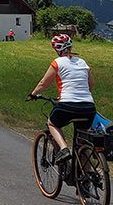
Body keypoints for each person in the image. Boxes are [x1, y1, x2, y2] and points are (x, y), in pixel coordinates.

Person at [27, 34, 95, 165]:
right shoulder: (83, 62)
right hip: (88, 107)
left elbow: (43, 83)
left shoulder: (57, 63)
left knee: (52, 123)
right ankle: (86, 178)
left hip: (67, 105)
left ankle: (63, 149)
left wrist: (33, 94)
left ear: (57, 49)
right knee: (82, 141)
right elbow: (91, 85)